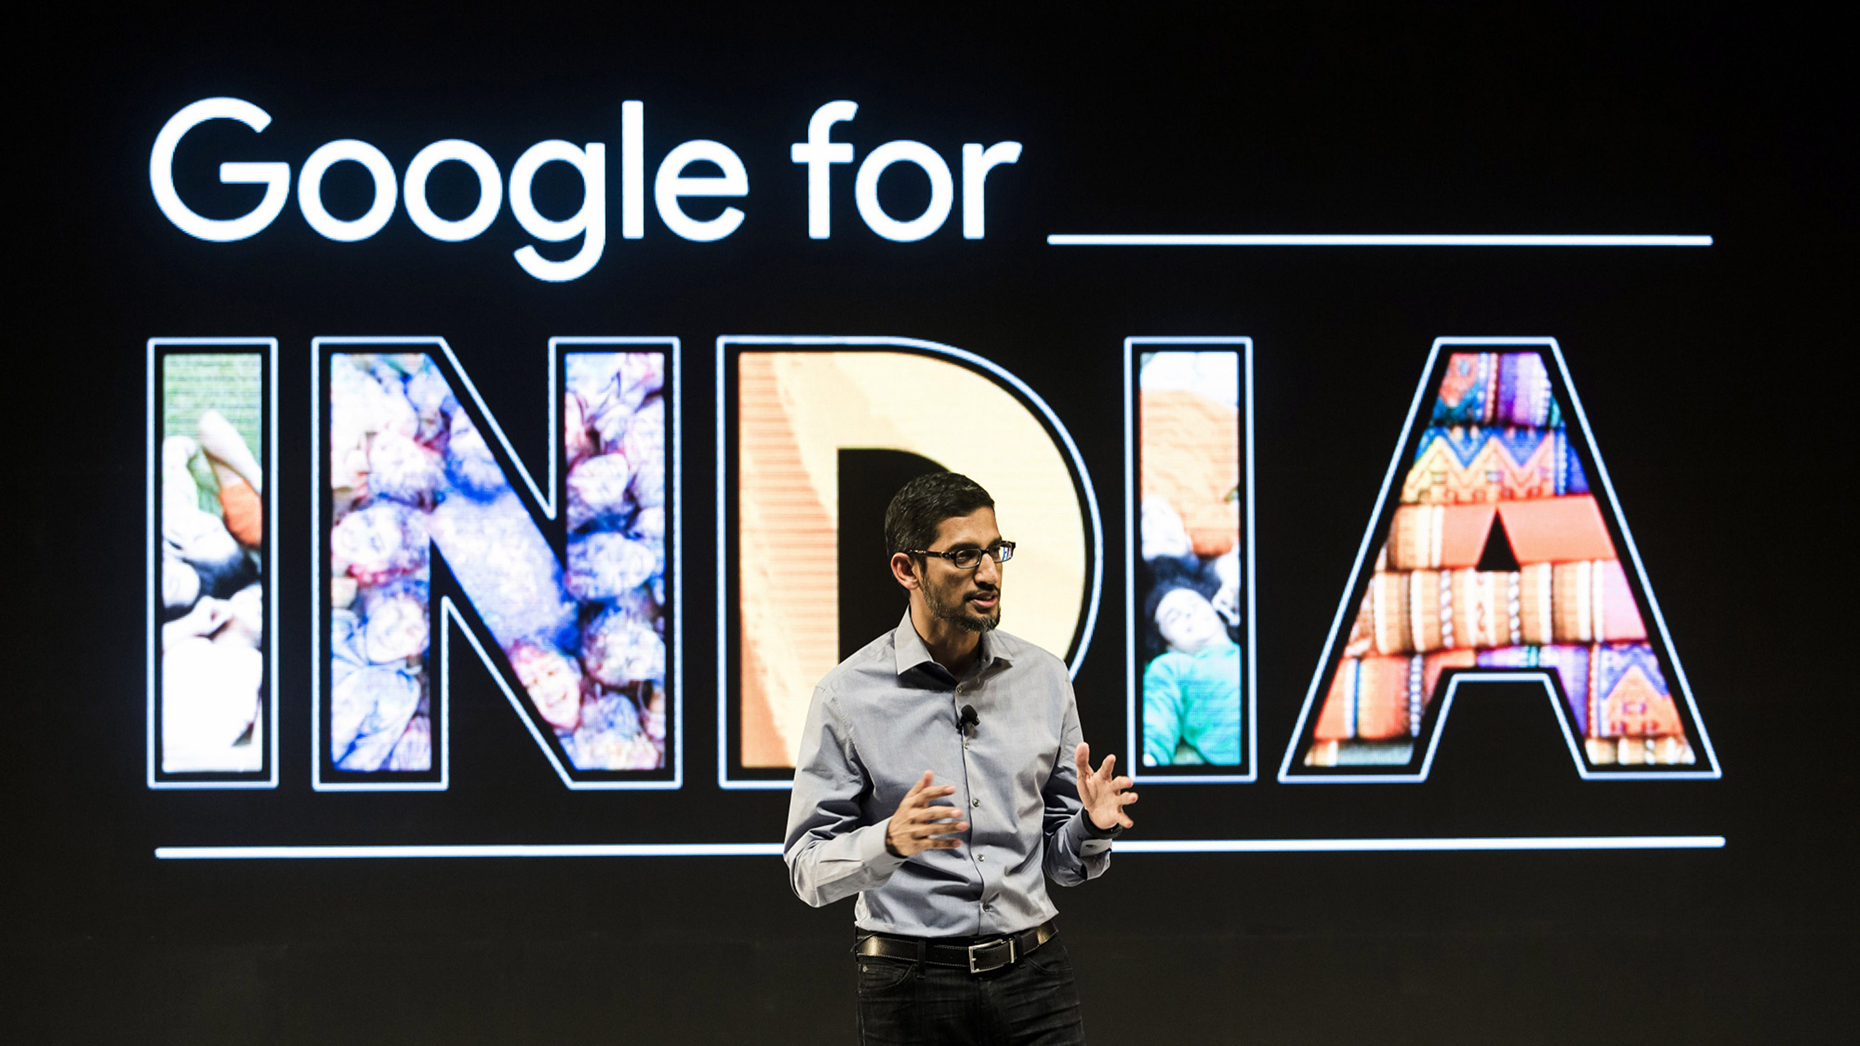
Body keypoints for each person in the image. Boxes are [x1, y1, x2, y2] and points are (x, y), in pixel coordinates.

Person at [784, 472, 1137, 1045]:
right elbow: (808, 869)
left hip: (1035, 977)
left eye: (996, 551)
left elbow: (1063, 864)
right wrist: (889, 841)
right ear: (908, 570)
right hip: (911, 984)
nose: (990, 573)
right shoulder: (846, 695)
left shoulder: (1045, 678)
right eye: (965, 555)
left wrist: (1091, 827)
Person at [1141, 587, 1242, 766]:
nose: (1188, 612)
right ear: (1168, 644)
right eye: (1174, 617)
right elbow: (1155, 731)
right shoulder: (1171, 666)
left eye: (1194, 603)